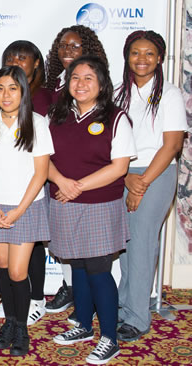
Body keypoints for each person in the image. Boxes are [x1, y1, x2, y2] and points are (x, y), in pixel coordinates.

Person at [48, 55, 136, 364]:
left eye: (88, 78)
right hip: (63, 202)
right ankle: (84, 325)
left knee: (99, 270)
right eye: (75, 78)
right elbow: (42, 158)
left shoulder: (116, 117)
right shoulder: (57, 116)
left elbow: (120, 166)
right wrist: (61, 181)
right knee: (78, 267)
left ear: (101, 83)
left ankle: (109, 337)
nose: (81, 84)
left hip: (99, 204)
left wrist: (78, 186)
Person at [0, 66, 53, 355]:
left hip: (26, 207)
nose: (6, 94)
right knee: (3, 268)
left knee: (18, 271)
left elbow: (41, 173)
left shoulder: (37, 123)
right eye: (1, 88)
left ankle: (22, 330)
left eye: (13, 88)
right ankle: (11, 321)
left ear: (23, 92)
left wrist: (18, 211)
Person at [115, 31, 187, 342]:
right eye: (135, 53)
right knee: (126, 246)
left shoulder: (169, 94)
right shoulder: (118, 93)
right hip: (122, 173)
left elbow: (171, 146)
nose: (141, 59)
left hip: (156, 174)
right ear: (127, 57)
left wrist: (140, 183)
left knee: (142, 243)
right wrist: (126, 178)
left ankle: (138, 317)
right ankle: (126, 304)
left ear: (159, 58)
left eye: (149, 54)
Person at [44, 25, 108, 320]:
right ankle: (72, 290)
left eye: (75, 47)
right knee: (66, 241)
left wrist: (75, 182)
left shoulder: (95, 86)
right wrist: (57, 178)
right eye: (63, 46)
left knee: (89, 253)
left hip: (86, 177)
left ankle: (88, 300)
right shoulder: (52, 84)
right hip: (54, 172)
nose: (68, 52)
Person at [0, 40, 52, 326]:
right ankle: (15, 300)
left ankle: (36, 298)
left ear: (36, 63)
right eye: (10, 57)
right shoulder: (0, 99)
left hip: (39, 178)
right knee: (8, 250)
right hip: (8, 183)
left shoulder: (47, 96)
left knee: (34, 243)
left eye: (22, 57)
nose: (16, 61)